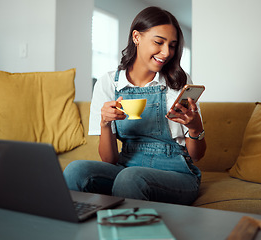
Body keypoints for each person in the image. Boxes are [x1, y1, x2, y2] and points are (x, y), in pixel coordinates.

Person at [63, 6, 206, 205]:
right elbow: (109, 160)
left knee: (130, 178)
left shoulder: (177, 81)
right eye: (159, 42)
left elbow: (197, 156)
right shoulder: (108, 83)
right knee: (75, 170)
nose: (166, 53)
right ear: (136, 37)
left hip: (176, 172)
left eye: (172, 45)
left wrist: (195, 127)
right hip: (126, 167)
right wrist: (105, 123)